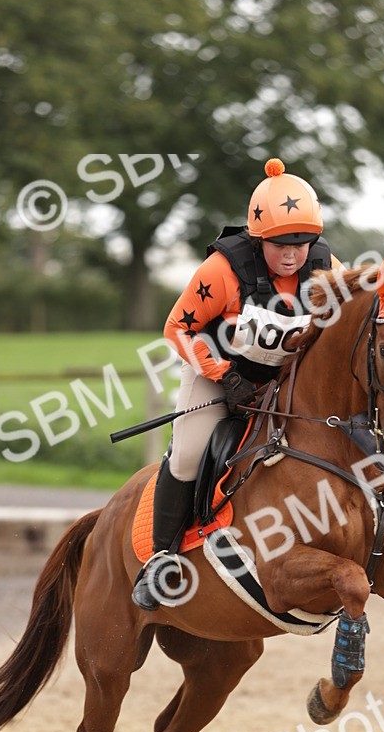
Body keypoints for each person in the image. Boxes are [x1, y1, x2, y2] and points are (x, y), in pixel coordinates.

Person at [132, 157, 341, 611]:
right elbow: (177, 329)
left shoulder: (326, 268)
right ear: (258, 237)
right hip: (219, 375)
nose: (292, 255)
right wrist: (223, 376)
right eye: (280, 245)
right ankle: (161, 559)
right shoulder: (223, 270)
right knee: (188, 454)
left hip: (282, 383)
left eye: (302, 243)